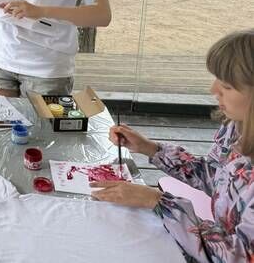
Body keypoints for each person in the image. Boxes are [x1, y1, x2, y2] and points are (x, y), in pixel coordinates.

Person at [92, 29, 254, 262]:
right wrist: (150, 148)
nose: (213, 90)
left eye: (227, 86)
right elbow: (214, 177)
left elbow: (237, 256)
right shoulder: (236, 127)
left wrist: (159, 202)